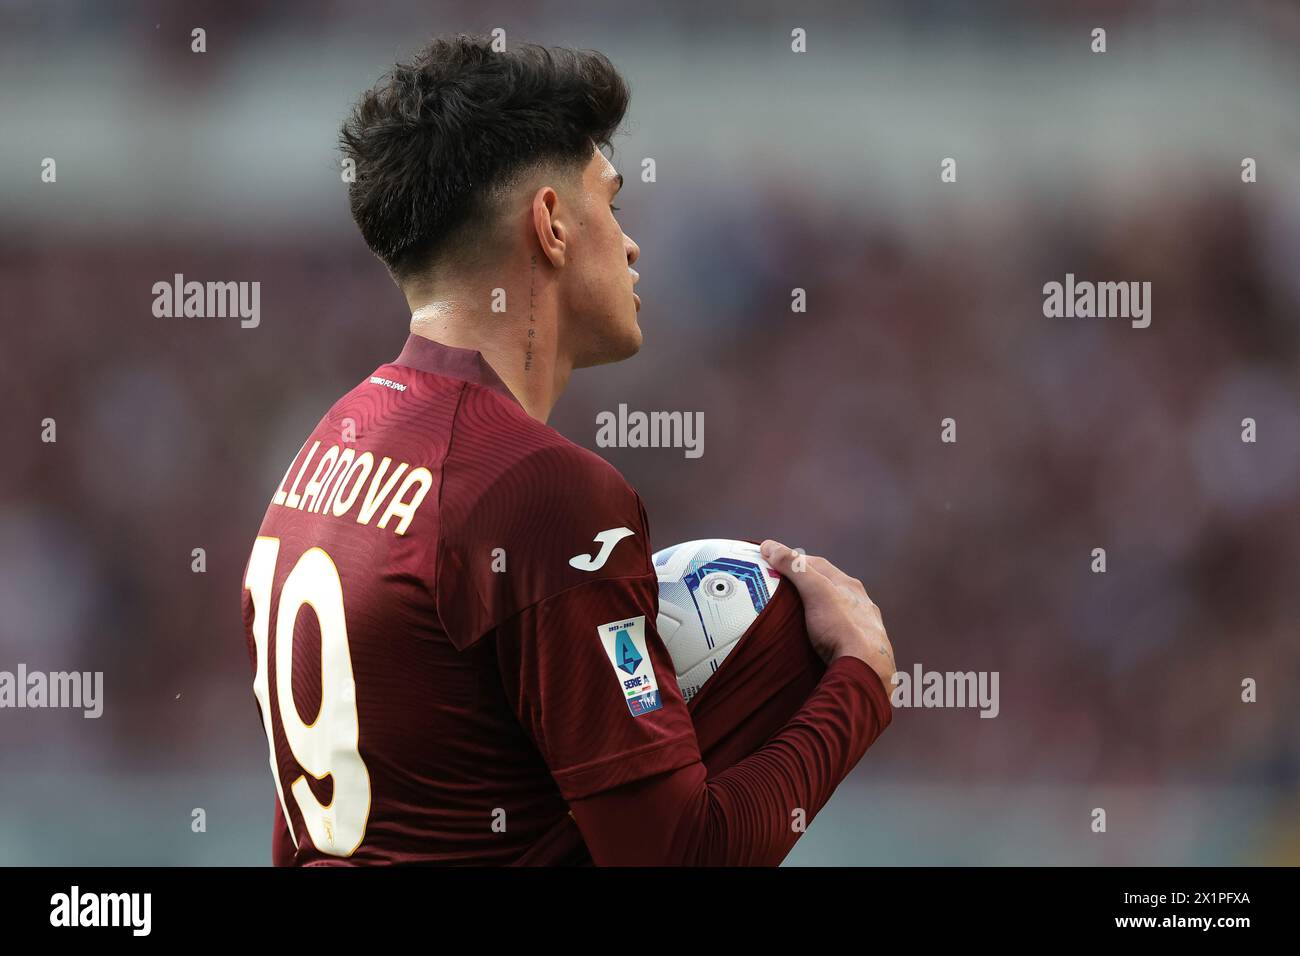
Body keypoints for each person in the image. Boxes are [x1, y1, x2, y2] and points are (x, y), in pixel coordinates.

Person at [239, 33, 895, 866]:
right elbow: (679, 856)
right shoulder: (538, 492)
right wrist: (860, 683)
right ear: (549, 224)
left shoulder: (325, 450)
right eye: (611, 204)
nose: (630, 244)